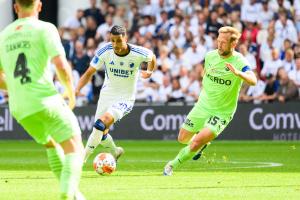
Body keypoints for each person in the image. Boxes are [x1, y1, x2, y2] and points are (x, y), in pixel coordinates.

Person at [0, 1, 85, 199]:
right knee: (76, 147)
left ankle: (74, 195)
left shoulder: (3, 36)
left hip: (19, 106)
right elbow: (61, 66)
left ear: (16, 7)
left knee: (52, 143)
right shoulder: (45, 28)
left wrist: (16, 87)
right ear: (39, 6)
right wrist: (70, 93)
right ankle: (66, 193)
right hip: (44, 99)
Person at [163, 26, 257, 176]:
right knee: (182, 138)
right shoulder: (210, 56)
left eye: (223, 42)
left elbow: (253, 80)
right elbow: (205, 73)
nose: (219, 45)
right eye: (218, 41)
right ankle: (201, 145)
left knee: (195, 142)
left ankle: (171, 166)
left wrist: (239, 74)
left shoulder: (239, 61)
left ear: (233, 44)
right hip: (202, 105)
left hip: (222, 112)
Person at [76, 25, 156, 163]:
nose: (115, 44)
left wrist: (149, 72)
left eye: (118, 40)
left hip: (125, 99)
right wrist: (76, 90)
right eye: (112, 40)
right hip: (107, 94)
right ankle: (115, 151)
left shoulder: (137, 52)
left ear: (125, 38)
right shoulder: (105, 51)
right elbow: (89, 72)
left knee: (99, 125)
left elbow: (152, 57)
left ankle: (81, 160)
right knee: (101, 134)